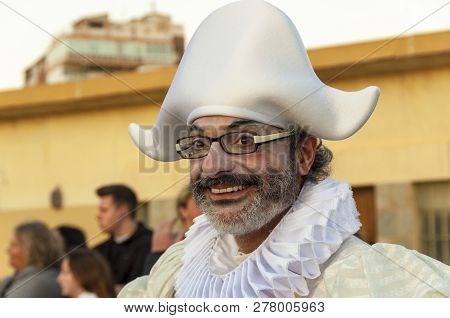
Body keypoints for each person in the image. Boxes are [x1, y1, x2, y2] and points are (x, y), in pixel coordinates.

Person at [120, 0, 450, 298]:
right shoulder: (172, 275)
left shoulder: (380, 284)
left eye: (244, 140)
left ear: (304, 154)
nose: (211, 165)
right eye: (198, 143)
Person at [93, 184, 152, 292]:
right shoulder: (98, 251)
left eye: (104, 210)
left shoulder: (151, 245)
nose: (98, 216)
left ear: (123, 211)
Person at [142, 185, 202, 274]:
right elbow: (150, 281)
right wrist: (159, 253)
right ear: (183, 210)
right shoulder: (168, 240)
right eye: (200, 202)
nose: (208, 206)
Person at [0, 221, 63, 298]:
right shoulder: (10, 281)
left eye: (14, 245)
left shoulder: (41, 283)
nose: (8, 250)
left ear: (32, 249)